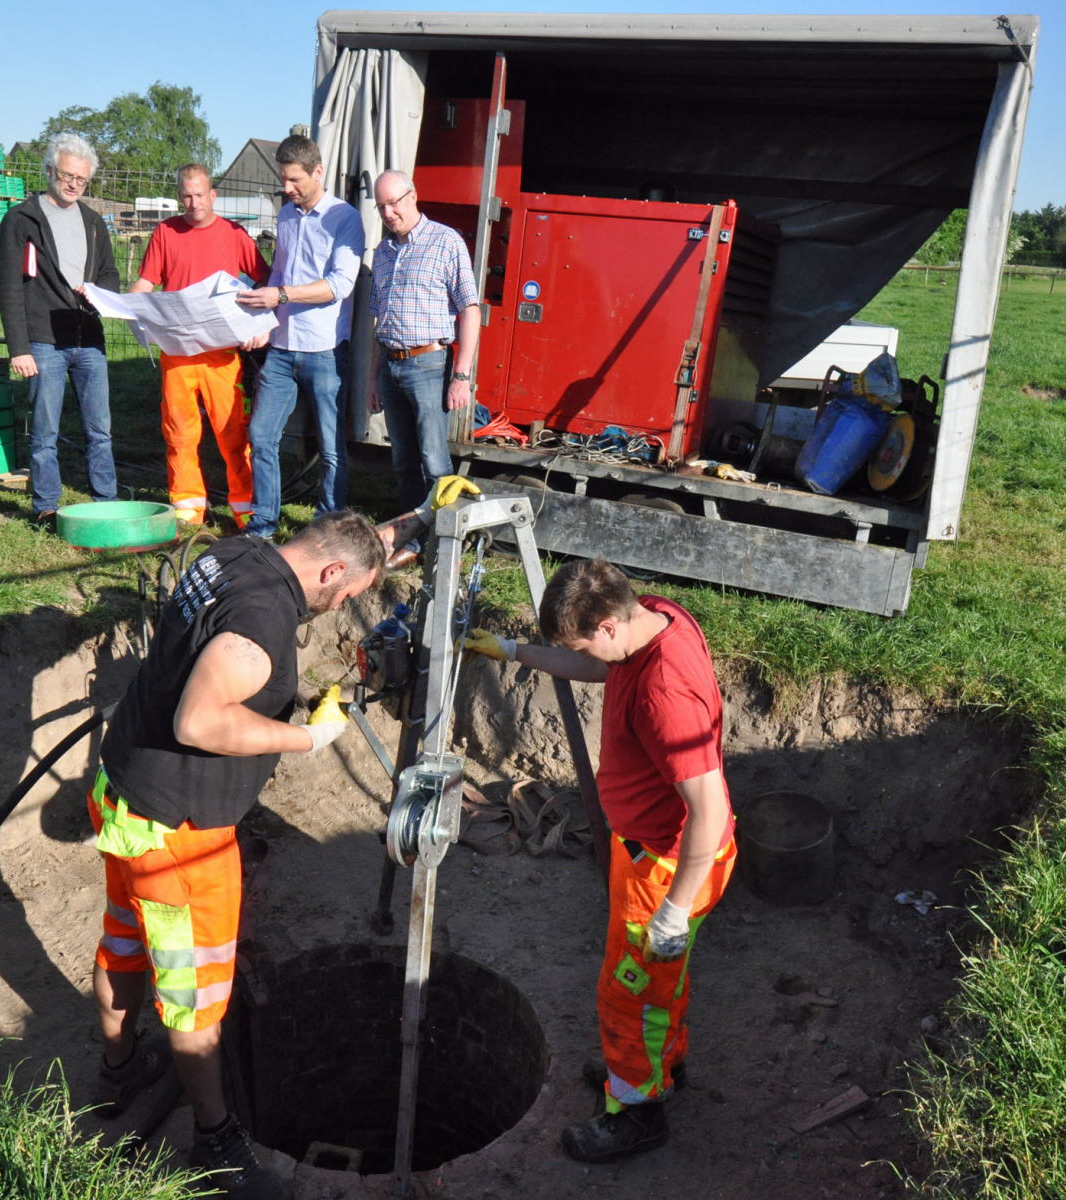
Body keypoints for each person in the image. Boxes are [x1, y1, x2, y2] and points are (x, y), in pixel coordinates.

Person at [86, 507, 403, 1197]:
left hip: (123, 795)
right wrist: (304, 739)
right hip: (181, 838)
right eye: (345, 593)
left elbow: (348, 551)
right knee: (196, 997)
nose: (341, 605)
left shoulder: (236, 554)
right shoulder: (262, 622)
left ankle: (117, 1074)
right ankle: (215, 1137)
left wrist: (402, 529)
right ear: (327, 571)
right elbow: (198, 719)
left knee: (125, 942)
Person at [466, 559, 738, 1164]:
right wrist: (513, 650)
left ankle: (636, 1112)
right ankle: (658, 1063)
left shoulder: (665, 694)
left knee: (628, 992)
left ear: (609, 625)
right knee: (658, 984)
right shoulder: (657, 616)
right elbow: (592, 665)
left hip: (669, 867)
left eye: (579, 640)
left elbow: (709, 810)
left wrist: (672, 911)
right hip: (651, 852)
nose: (578, 654)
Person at [234, 135, 365, 538]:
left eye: (294, 180)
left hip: (325, 351)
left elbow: (339, 285)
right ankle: (263, 524)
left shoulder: (344, 218)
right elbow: (280, 272)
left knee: (330, 447)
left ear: (318, 172)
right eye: (283, 180)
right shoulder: (288, 215)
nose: (287, 189)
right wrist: (264, 315)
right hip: (281, 347)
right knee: (261, 435)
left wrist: (283, 295)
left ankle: (327, 529)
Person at [129, 164, 271, 529]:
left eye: (199, 194)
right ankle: (188, 506)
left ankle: (245, 505)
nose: (193, 202)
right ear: (180, 196)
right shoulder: (166, 232)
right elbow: (144, 285)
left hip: (222, 354)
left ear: (213, 195)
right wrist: (127, 306)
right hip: (177, 353)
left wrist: (258, 325)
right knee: (179, 430)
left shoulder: (235, 234)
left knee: (233, 431)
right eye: (187, 195)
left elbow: (266, 283)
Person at [0, 132, 120, 524]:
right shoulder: (21, 219)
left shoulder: (94, 221)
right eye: (67, 175)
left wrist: (101, 295)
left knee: (100, 431)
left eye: (81, 180)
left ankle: (108, 503)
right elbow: (9, 286)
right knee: (45, 433)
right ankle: (46, 507)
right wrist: (19, 346)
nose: (73, 184)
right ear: (49, 170)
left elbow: (110, 273)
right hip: (44, 340)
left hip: (89, 339)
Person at [368, 170, 481, 565]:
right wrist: (373, 379)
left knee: (435, 460)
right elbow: (378, 322)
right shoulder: (382, 254)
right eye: (381, 206)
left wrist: (461, 375)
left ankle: (445, 546)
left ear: (413, 197)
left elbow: (470, 309)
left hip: (430, 363)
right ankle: (414, 543)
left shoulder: (446, 241)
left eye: (394, 202)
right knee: (403, 461)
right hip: (392, 366)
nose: (388, 212)